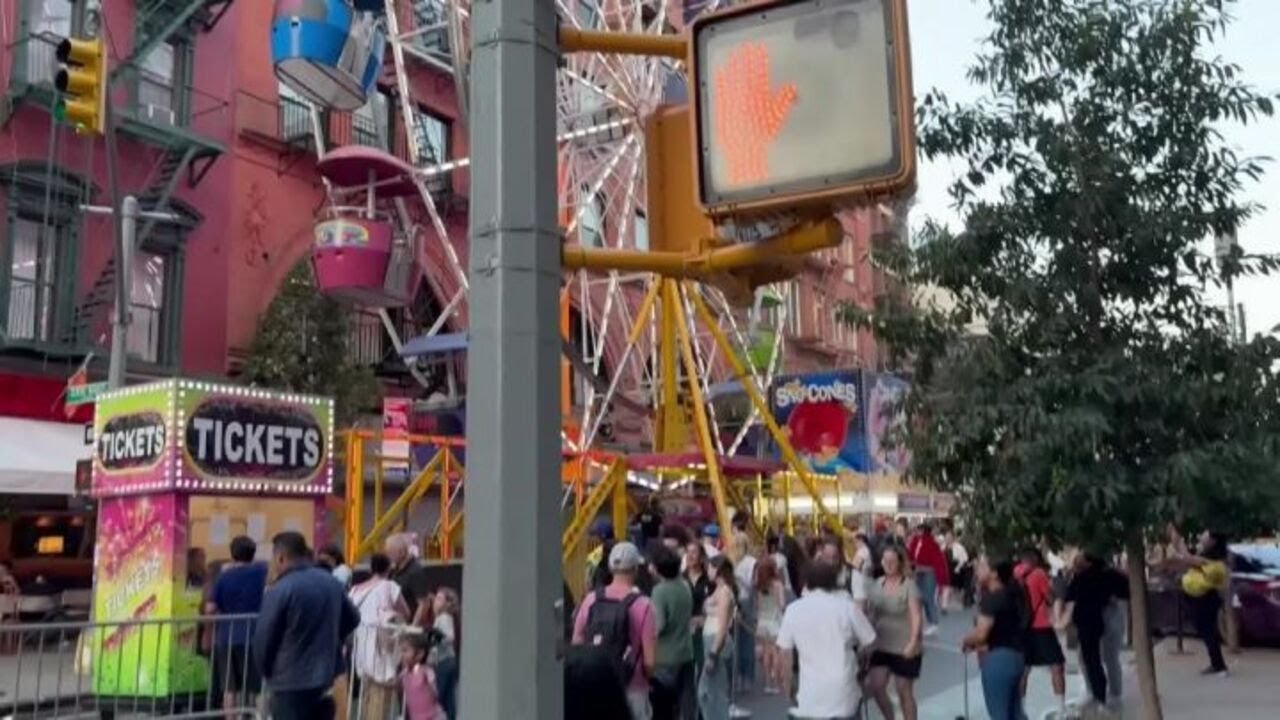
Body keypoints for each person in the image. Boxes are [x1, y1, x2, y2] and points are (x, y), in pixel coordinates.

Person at [253, 531, 360, 720]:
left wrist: (265, 670)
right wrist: (334, 637)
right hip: (326, 677)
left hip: (289, 681)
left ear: (280, 558)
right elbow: (353, 618)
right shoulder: (331, 582)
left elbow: (264, 637)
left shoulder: (279, 589)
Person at [776, 558, 877, 719]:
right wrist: (859, 659)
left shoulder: (793, 610)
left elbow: (785, 654)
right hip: (844, 690)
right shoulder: (846, 607)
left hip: (810, 693)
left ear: (806, 582)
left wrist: (787, 686)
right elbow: (870, 641)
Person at [572, 541, 658, 720]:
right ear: (635, 568)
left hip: (594, 688)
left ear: (611, 568)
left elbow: (577, 642)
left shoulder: (591, 599)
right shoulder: (644, 605)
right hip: (633, 689)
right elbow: (650, 662)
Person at [208, 536, 268, 719]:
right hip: (253, 634)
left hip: (226, 636)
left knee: (229, 687)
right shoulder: (262, 571)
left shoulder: (223, 577)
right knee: (258, 686)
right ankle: (261, 717)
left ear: (232, 554)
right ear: (253, 553)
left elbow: (210, 608)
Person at [962, 556, 1028, 720]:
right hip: (1017, 656)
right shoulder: (1010, 594)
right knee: (1014, 711)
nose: (977, 569)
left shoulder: (992, 598)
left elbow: (981, 633)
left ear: (994, 574)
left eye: (982, 566)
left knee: (999, 713)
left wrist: (967, 640)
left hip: (999, 658)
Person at [1059, 552, 1129, 707]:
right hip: (1094, 619)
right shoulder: (1081, 575)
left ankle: (1111, 694)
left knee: (1106, 657)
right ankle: (1100, 692)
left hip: (1104, 616)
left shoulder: (1102, 574)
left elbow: (1127, 590)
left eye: (1080, 558)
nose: (1076, 560)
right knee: (1092, 658)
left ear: (1089, 561)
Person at [348, 553, 410, 720]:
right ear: (389, 568)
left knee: (366, 691)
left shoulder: (355, 589)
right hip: (382, 645)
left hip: (361, 642)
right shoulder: (389, 586)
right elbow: (405, 611)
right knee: (382, 692)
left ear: (371, 567)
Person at [865, 544, 923, 720]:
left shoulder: (909, 585)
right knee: (876, 686)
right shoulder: (877, 584)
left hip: (904, 644)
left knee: (903, 690)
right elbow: (871, 614)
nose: (888, 564)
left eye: (892, 560)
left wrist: (913, 642)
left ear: (899, 562)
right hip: (881, 644)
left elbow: (916, 616)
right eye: (885, 560)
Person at [1161, 530, 1229, 676]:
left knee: (1208, 630)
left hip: (1205, 597)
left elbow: (1188, 559)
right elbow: (1188, 561)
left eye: (1205, 535)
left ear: (1213, 540)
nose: (1201, 537)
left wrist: (1179, 541)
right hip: (1202, 597)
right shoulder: (1207, 555)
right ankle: (1216, 664)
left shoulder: (1212, 559)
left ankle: (1219, 666)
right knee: (1206, 630)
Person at [1015, 548, 1066, 716]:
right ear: (1035, 558)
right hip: (1041, 626)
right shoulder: (1039, 574)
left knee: (1024, 670)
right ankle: (1061, 709)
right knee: (1056, 666)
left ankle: (1021, 710)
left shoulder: (1015, 573)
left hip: (1023, 628)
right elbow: (1050, 599)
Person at [649, 545, 694, 720]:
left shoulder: (659, 591)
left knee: (665, 705)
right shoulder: (684, 585)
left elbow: (658, 624)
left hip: (665, 656)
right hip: (686, 651)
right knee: (686, 701)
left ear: (659, 568)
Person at [697, 555, 738, 720]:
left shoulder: (724, 592)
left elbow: (722, 626)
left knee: (711, 693)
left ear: (718, 570)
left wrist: (713, 654)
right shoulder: (719, 590)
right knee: (710, 692)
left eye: (710, 568)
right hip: (711, 637)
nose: (707, 571)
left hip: (716, 642)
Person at [727, 531, 758, 695]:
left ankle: (741, 677)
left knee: (740, 640)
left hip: (738, 600)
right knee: (744, 641)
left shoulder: (740, 562)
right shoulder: (749, 562)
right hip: (741, 600)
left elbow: (751, 585)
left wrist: (737, 578)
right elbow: (753, 585)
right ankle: (744, 677)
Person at [753, 555, 787, 695]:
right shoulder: (777, 585)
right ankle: (775, 682)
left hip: (762, 621)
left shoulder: (759, 585)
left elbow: (758, 605)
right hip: (774, 621)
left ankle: (767, 682)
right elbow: (782, 604)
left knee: (766, 653)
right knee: (775, 653)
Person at [906, 523, 949, 635]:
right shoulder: (914, 542)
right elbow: (911, 556)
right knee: (919, 597)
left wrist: (919, 567)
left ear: (925, 531)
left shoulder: (932, 544)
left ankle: (934, 623)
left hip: (929, 574)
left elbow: (936, 562)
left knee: (928, 598)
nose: (917, 532)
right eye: (917, 530)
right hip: (918, 573)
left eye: (919, 530)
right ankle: (922, 621)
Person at [399, 630, 447, 720]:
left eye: (405, 650)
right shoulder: (404, 674)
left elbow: (436, 691)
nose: (401, 655)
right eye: (401, 650)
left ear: (420, 654)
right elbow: (394, 686)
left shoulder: (426, 672)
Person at [684, 540, 714, 680]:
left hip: (704, 627)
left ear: (701, 556)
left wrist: (705, 617)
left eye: (694, 552)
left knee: (703, 665)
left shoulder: (709, 580)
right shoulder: (680, 579)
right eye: (688, 552)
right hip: (685, 628)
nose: (690, 556)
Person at [430, 587, 461, 718]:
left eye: (439, 598)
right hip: (449, 661)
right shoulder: (443, 618)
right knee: (449, 699)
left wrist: (431, 637)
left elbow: (449, 637)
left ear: (446, 603)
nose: (435, 601)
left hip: (443, 662)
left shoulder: (443, 618)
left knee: (439, 697)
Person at [385, 534, 431, 619]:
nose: (388, 557)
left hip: (408, 626)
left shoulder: (415, 571)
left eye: (390, 553)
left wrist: (412, 627)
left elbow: (424, 604)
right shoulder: (393, 570)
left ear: (401, 552)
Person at [818, 536, 868, 608]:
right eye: (827, 558)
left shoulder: (853, 576)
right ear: (821, 557)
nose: (831, 562)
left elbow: (860, 610)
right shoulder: (816, 577)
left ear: (841, 556)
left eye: (835, 558)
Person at [944, 529, 972, 610]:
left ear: (953, 538)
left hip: (956, 568)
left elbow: (964, 558)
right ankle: (947, 603)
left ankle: (958, 602)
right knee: (948, 586)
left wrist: (958, 567)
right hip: (946, 568)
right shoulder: (943, 547)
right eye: (946, 537)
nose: (947, 539)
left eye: (949, 537)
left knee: (957, 587)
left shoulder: (959, 547)